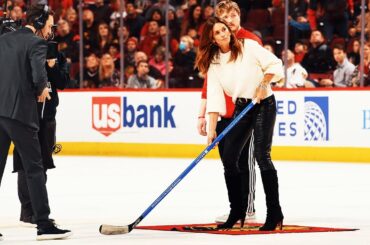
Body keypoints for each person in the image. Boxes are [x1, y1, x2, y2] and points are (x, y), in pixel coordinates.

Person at [195, 17, 284, 231]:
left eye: (224, 29)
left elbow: (275, 64)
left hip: (263, 103)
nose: (223, 33)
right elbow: (215, 96)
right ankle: (237, 211)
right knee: (229, 158)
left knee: (262, 156)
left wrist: (264, 83)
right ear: (212, 39)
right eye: (217, 32)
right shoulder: (215, 62)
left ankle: (275, 212)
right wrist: (212, 129)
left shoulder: (248, 47)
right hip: (242, 107)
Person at [0, 4, 72, 240]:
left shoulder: (5, 40)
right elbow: (38, 74)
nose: (49, 31)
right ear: (40, 22)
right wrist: (42, 89)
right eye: (49, 25)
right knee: (34, 168)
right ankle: (43, 223)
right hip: (21, 113)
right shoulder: (36, 43)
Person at [196, 0, 261, 224]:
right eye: (225, 17)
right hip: (223, 112)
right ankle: (238, 208)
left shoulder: (250, 41)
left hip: (246, 110)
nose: (230, 21)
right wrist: (202, 113)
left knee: (246, 160)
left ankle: (249, 209)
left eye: (233, 16)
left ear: (239, 16)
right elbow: (209, 83)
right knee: (230, 163)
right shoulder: (218, 44)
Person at [13, 35, 70, 226]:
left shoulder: (58, 56)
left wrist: (52, 66)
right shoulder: (24, 53)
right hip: (26, 116)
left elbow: (62, 82)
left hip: (48, 119)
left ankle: (37, 209)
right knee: (24, 163)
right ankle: (28, 210)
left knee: (42, 163)